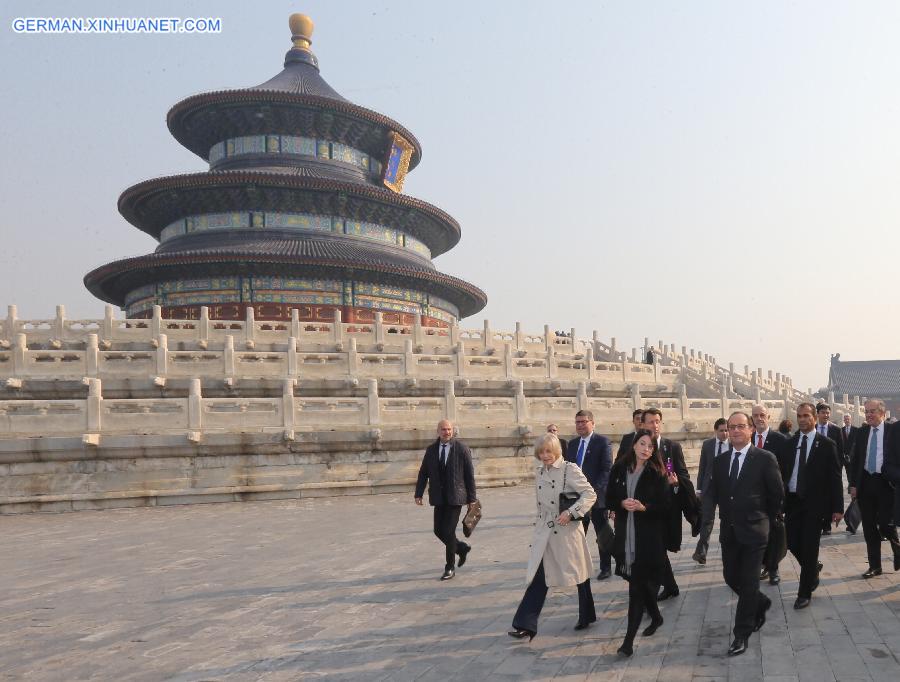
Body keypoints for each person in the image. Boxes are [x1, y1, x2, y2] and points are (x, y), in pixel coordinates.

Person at [701, 411, 784, 657]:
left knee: (748, 582)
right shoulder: (720, 461)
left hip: (756, 531)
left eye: (740, 426)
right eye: (731, 427)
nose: (735, 431)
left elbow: (776, 495)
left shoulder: (765, 458)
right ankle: (761, 602)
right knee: (730, 577)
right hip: (730, 531)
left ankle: (741, 633)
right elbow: (712, 495)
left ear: (750, 430)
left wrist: (765, 519)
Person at [509, 433, 597, 641]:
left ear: (556, 450)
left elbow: (590, 494)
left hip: (566, 531)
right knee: (539, 576)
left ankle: (587, 614)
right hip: (545, 532)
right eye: (541, 452)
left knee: (580, 575)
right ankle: (525, 624)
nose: (545, 455)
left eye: (548, 451)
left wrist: (571, 512)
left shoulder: (569, 469)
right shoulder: (539, 471)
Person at [606, 429, 671, 657]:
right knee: (640, 585)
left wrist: (645, 507)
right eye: (642, 444)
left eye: (650, 446)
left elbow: (666, 507)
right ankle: (656, 616)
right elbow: (609, 498)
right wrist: (621, 503)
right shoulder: (619, 469)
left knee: (636, 589)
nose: (646, 449)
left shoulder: (658, 473)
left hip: (648, 541)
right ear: (634, 445)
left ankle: (627, 643)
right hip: (625, 539)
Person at [778, 403, 844, 609]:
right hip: (793, 501)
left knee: (810, 546)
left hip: (815, 504)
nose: (802, 419)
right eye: (799, 416)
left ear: (814, 418)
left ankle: (804, 592)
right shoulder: (790, 443)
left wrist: (838, 508)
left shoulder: (826, 444)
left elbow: (835, 478)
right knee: (791, 543)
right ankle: (812, 567)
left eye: (806, 415)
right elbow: (782, 474)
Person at [641, 407, 697, 600]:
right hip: (645, 507)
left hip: (667, 507)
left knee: (659, 547)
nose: (655, 425)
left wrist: (676, 483)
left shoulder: (671, 447)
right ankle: (668, 586)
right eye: (650, 422)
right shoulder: (637, 447)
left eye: (657, 421)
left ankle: (659, 587)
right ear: (643, 424)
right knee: (654, 547)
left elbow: (683, 475)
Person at [414, 419, 477, 581]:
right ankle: (461, 548)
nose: (446, 432)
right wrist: (418, 493)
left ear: (453, 431)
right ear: (438, 431)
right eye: (443, 429)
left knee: (448, 532)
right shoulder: (431, 450)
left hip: (456, 497)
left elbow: (469, 476)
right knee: (438, 530)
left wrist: (472, 499)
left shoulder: (462, 449)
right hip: (438, 497)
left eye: (449, 429)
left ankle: (450, 567)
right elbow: (423, 473)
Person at [849, 399, 900, 577]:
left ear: (882, 413)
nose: (869, 414)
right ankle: (875, 566)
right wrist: (853, 485)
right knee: (869, 527)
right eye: (866, 411)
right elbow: (855, 460)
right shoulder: (862, 432)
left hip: (886, 483)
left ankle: (897, 549)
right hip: (866, 483)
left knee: (886, 523)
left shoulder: (892, 431)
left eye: (872, 411)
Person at [565, 410, 614, 579]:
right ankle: (577, 566)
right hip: (575, 498)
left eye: (583, 421)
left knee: (602, 533)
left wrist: (591, 491)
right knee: (577, 534)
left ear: (592, 423)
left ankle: (606, 567)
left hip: (596, 497)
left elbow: (606, 469)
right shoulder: (571, 445)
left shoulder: (603, 442)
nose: (580, 425)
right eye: (577, 422)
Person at [751, 404, 788, 585]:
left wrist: (782, 498)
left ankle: (773, 569)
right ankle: (759, 566)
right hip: (752, 497)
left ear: (768, 416)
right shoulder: (746, 438)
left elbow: (786, 469)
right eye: (755, 415)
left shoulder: (779, 439)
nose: (759, 418)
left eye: (762, 415)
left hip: (772, 496)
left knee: (773, 535)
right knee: (756, 535)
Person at [693, 418, 729, 564]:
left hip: (727, 489)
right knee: (707, 520)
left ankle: (728, 551)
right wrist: (699, 488)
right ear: (715, 431)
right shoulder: (708, 445)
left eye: (727, 430)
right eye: (722, 430)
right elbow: (702, 467)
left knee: (727, 520)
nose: (725, 433)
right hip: (709, 488)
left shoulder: (734, 444)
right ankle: (701, 552)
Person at [815, 404, 844, 535]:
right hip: (814, 470)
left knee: (828, 497)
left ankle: (826, 525)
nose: (826, 415)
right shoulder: (812, 428)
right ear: (817, 414)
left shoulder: (836, 430)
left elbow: (840, 451)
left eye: (827, 413)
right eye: (823, 412)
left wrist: (838, 467)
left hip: (830, 469)